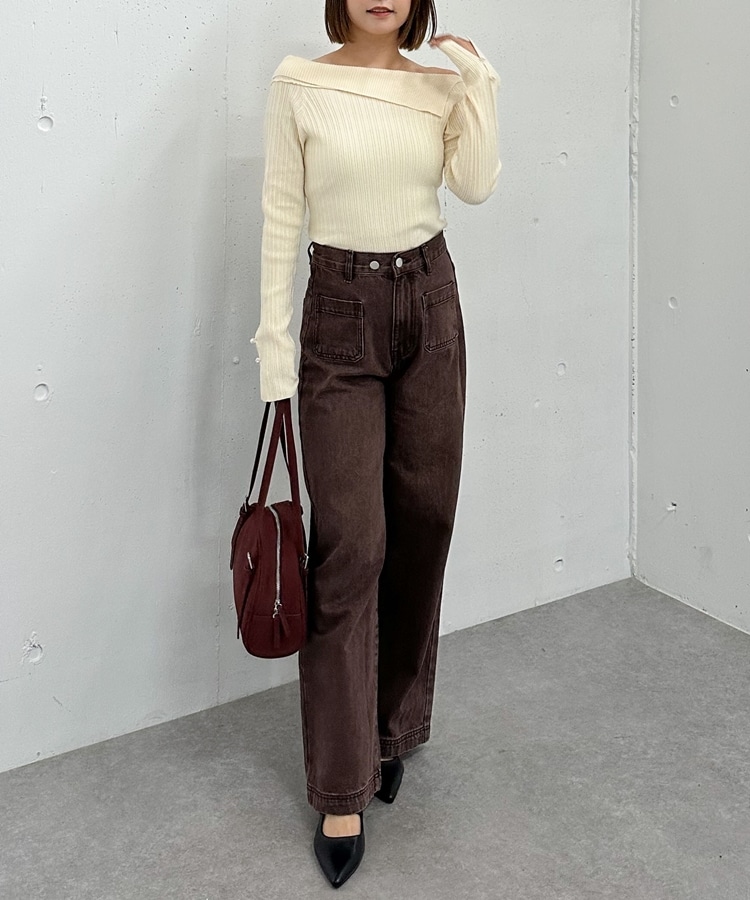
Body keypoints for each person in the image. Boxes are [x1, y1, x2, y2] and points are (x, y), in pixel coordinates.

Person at [251, 0, 501, 887]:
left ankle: (392, 729)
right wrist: (275, 351)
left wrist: (479, 81)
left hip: (431, 303)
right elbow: (282, 211)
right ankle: (341, 784)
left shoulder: (440, 89)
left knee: (425, 523)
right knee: (351, 545)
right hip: (340, 312)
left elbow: (476, 184)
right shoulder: (299, 83)